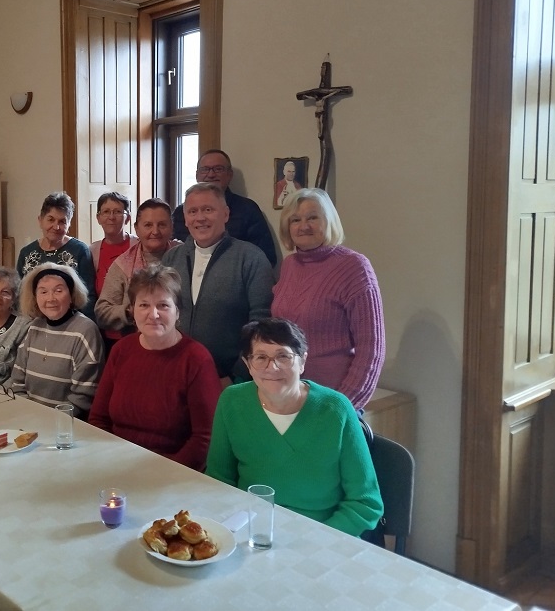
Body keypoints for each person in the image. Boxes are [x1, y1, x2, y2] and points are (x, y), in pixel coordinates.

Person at [205, 318, 383, 537]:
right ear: (248, 364)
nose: (272, 367)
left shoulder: (336, 410)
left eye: (283, 356)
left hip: (319, 533)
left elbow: (366, 503)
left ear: (302, 361)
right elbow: (218, 480)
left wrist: (314, 540)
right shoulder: (232, 401)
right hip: (250, 531)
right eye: (261, 357)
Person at [89, 264, 221, 470]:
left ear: (178, 312)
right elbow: (99, 419)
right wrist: (111, 461)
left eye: (163, 305)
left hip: (172, 472)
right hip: (116, 463)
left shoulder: (197, 359)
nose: (153, 314)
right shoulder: (121, 350)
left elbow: (205, 437)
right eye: (144, 305)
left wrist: (163, 473)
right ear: (132, 311)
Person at [272, 188, 385, 410]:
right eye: (295, 220)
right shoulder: (290, 265)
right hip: (290, 393)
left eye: (312, 218)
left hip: (332, 397)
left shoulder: (354, 266)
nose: (304, 226)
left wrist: (342, 406)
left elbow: (372, 350)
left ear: (329, 221)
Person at [162, 183, 273, 384]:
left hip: (228, 380)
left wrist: (236, 375)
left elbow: (262, 323)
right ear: (185, 219)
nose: (200, 218)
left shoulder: (251, 258)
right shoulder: (171, 258)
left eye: (208, 210)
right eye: (193, 211)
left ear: (225, 214)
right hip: (175, 372)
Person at [10, 262, 104, 417]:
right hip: (28, 417)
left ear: (71, 295)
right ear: (35, 297)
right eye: (43, 292)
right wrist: (27, 414)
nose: (50, 298)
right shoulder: (34, 327)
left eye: (58, 291)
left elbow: (84, 395)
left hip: (65, 422)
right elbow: (17, 381)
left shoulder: (85, 330)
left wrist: (52, 421)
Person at [172, 149, 278, 267]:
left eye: (218, 169)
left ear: (229, 175)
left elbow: (265, 258)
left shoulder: (247, 209)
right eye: (205, 169)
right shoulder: (180, 213)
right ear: (197, 175)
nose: (211, 174)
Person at [95, 198, 180, 338]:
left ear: (171, 227)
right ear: (136, 228)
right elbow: (102, 312)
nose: (155, 231)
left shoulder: (183, 255)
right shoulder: (123, 264)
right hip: (135, 340)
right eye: (148, 225)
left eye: (162, 225)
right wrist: (130, 311)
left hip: (179, 338)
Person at [16, 191, 96, 315]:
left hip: (70, 321)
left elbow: (88, 296)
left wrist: (85, 324)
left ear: (69, 224)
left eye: (62, 221)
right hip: (32, 320)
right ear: (40, 220)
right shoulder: (26, 253)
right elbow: (19, 294)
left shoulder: (80, 250)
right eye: (51, 220)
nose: (56, 227)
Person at [91, 192, 136, 297]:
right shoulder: (92, 251)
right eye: (106, 212)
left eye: (118, 212)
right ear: (98, 218)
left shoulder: (138, 246)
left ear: (128, 218)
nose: (111, 217)